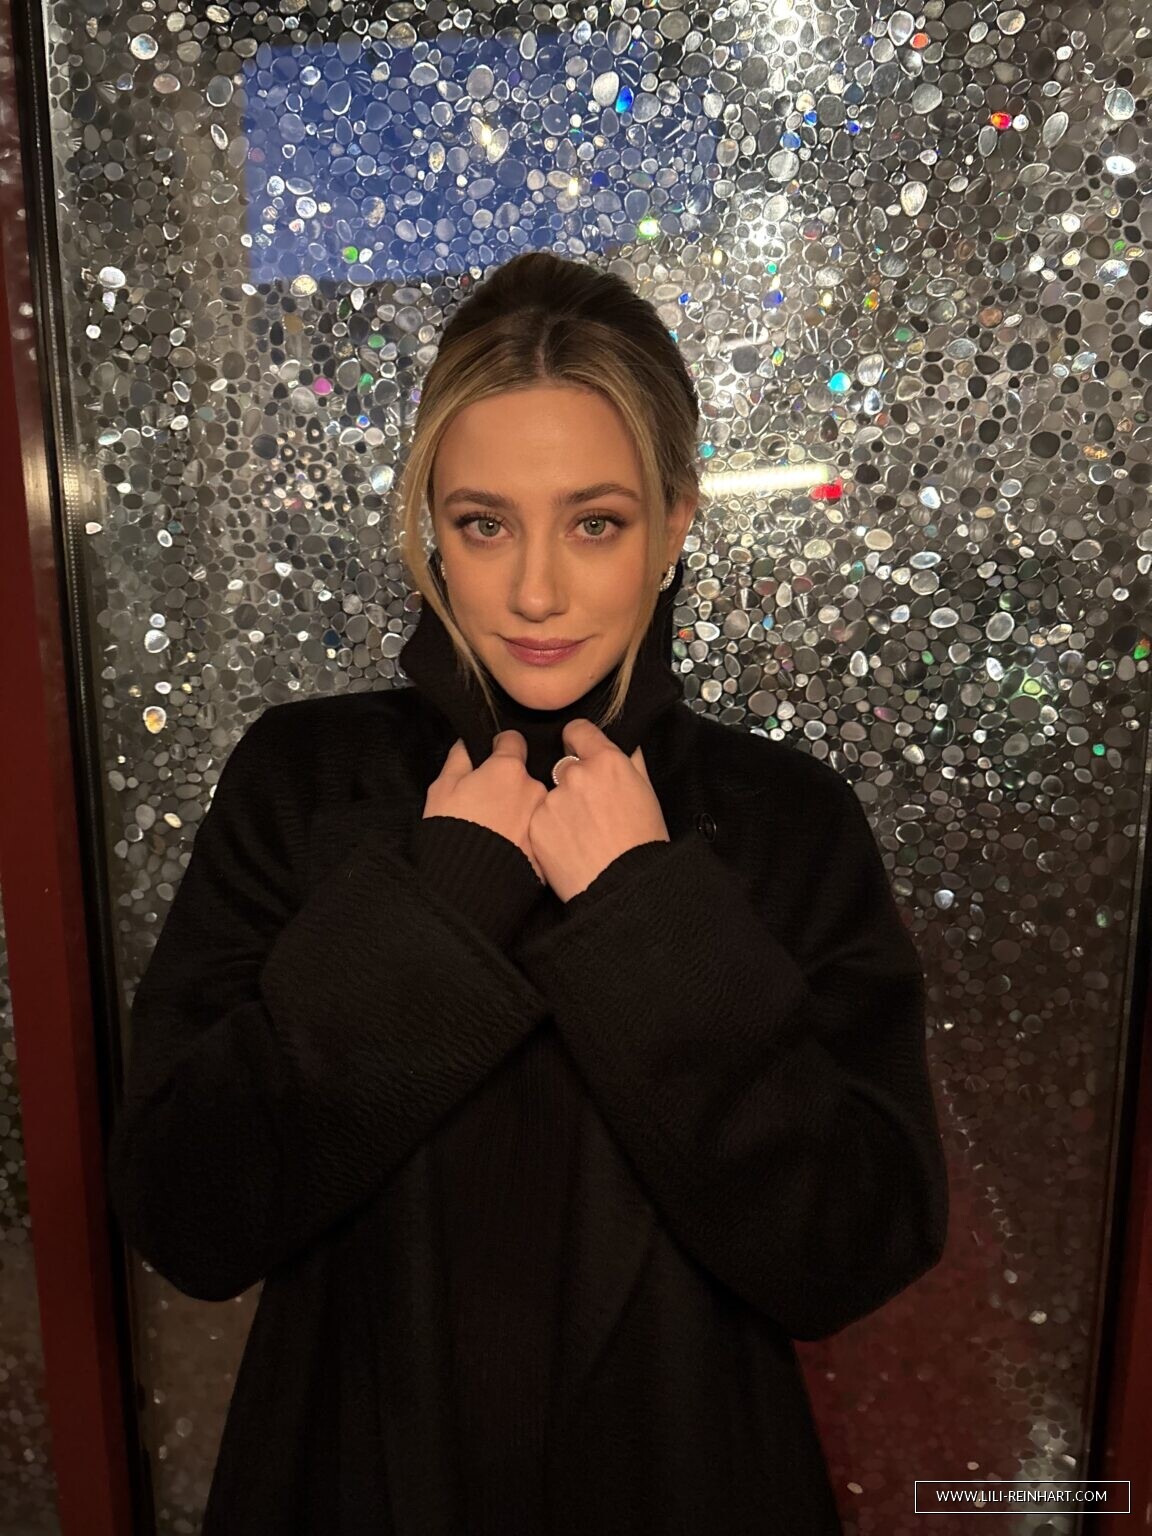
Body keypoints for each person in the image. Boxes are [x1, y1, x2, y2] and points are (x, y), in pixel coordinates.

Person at [106, 250, 950, 1535]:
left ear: (674, 526)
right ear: (431, 533)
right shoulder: (308, 781)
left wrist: (645, 905)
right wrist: (439, 903)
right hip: (352, 1482)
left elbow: (851, 1248)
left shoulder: (783, 821)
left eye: (594, 522)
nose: (537, 590)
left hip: (690, 1479)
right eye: (484, 523)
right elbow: (187, 1213)